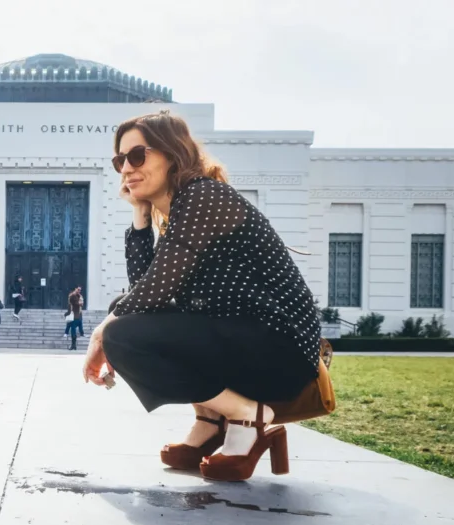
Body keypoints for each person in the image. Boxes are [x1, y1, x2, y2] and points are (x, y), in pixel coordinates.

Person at [82, 110, 321, 482]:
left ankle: (249, 416)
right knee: (122, 317)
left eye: (137, 155)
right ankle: (211, 421)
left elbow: (152, 291)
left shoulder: (203, 196)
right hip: (241, 343)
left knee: (118, 330)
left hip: (279, 349)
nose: (126, 168)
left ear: (172, 153)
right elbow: (147, 294)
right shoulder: (177, 210)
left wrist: (102, 334)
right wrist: (141, 215)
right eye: (119, 160)